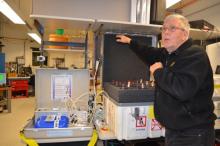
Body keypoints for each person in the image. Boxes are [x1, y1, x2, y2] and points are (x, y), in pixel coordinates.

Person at [116, 14, 216, 146]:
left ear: (185, 33)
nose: (166, 32)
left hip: (193, 133)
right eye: (163, 29)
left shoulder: (195, 55)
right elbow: (149, 52)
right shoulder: (169, 54)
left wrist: (158, 72)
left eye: (172, 28)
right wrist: (131, 42)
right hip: (175, 130)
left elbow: (182, 89)